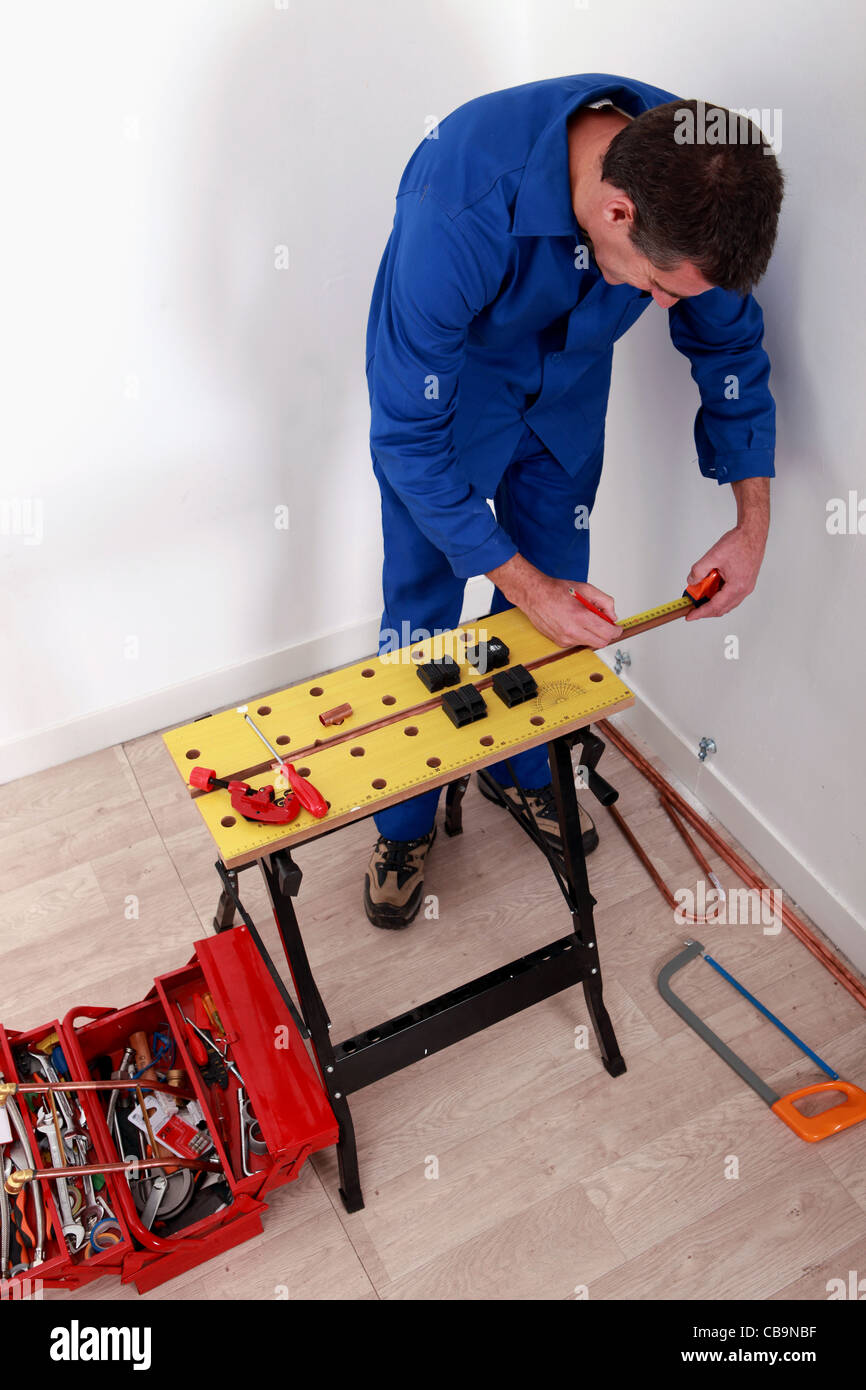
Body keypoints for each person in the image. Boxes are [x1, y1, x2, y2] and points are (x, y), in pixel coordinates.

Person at [363, 74, 784, 928]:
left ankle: (522, 773)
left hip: (569, 397)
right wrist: (523, 585)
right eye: (660, 290)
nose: (668, 309)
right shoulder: (458, 204)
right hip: (459, 398)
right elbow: (406, 438)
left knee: (561, 576)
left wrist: (751, 525)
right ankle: (404, 822)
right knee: (424, 606)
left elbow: (730, 349)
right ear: (616, 212)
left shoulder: (698, 174)